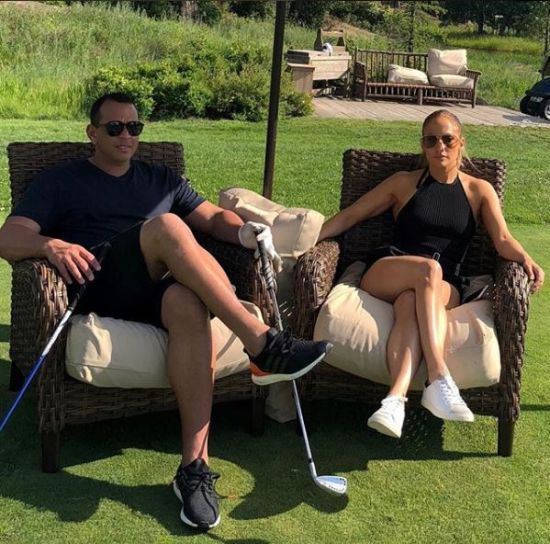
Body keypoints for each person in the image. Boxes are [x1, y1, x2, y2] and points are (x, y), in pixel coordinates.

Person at [0, 92, 331, 531]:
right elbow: (8, 238)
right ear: (92, 133)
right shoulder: (61, 180)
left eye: (134, 127)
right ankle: (261, 342)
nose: (126, 135)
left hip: (155, 290)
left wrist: (247, 232)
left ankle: (194, 469)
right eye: (114, 127)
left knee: (189, 303)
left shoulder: (161, 179)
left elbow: (213, 219)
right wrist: (50, 245)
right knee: (168, 226)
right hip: (98, 284)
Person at [318, 109, 544, 440]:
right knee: (428, 269)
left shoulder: (479, 190)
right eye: (431, 140)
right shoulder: (403, 183)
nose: (440, 146)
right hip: (390, 269)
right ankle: (438, 378)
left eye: (448, 139)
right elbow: (351, 216)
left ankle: (394, 401)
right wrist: (308, 239)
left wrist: (525, 258)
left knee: (412, 302)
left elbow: (503, 240)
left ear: (461, 142)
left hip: (444, 284)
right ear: (423, 146)